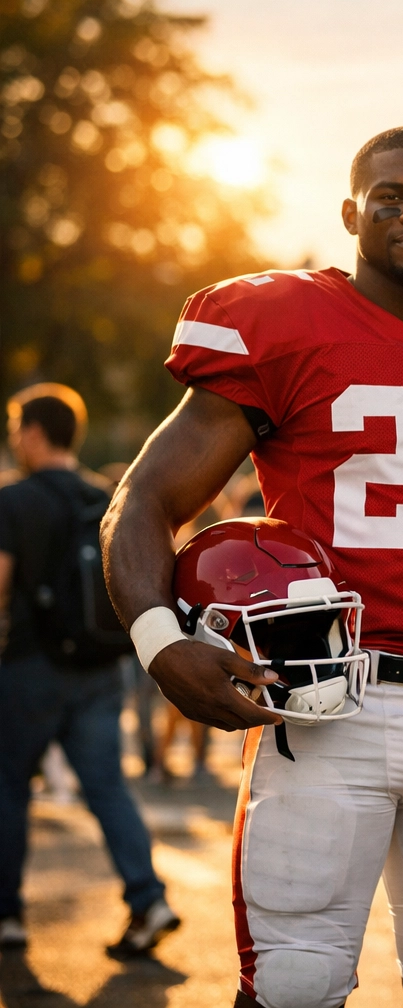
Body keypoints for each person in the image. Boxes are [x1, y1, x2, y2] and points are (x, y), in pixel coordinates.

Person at [100, 127, 403, 1008]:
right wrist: (158, 641)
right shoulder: (279, 322)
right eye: (392, 196)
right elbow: (141, 502)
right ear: (349, 214)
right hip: (330, 703)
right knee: (296, 983)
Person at [0, 385, 178, 953]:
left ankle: (6, 916)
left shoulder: (13, 501)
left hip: (28, 669)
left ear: (31, 434)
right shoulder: (107, 498)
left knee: (8, 790)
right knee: (108, 789)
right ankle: (148, 899)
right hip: (100, 671)